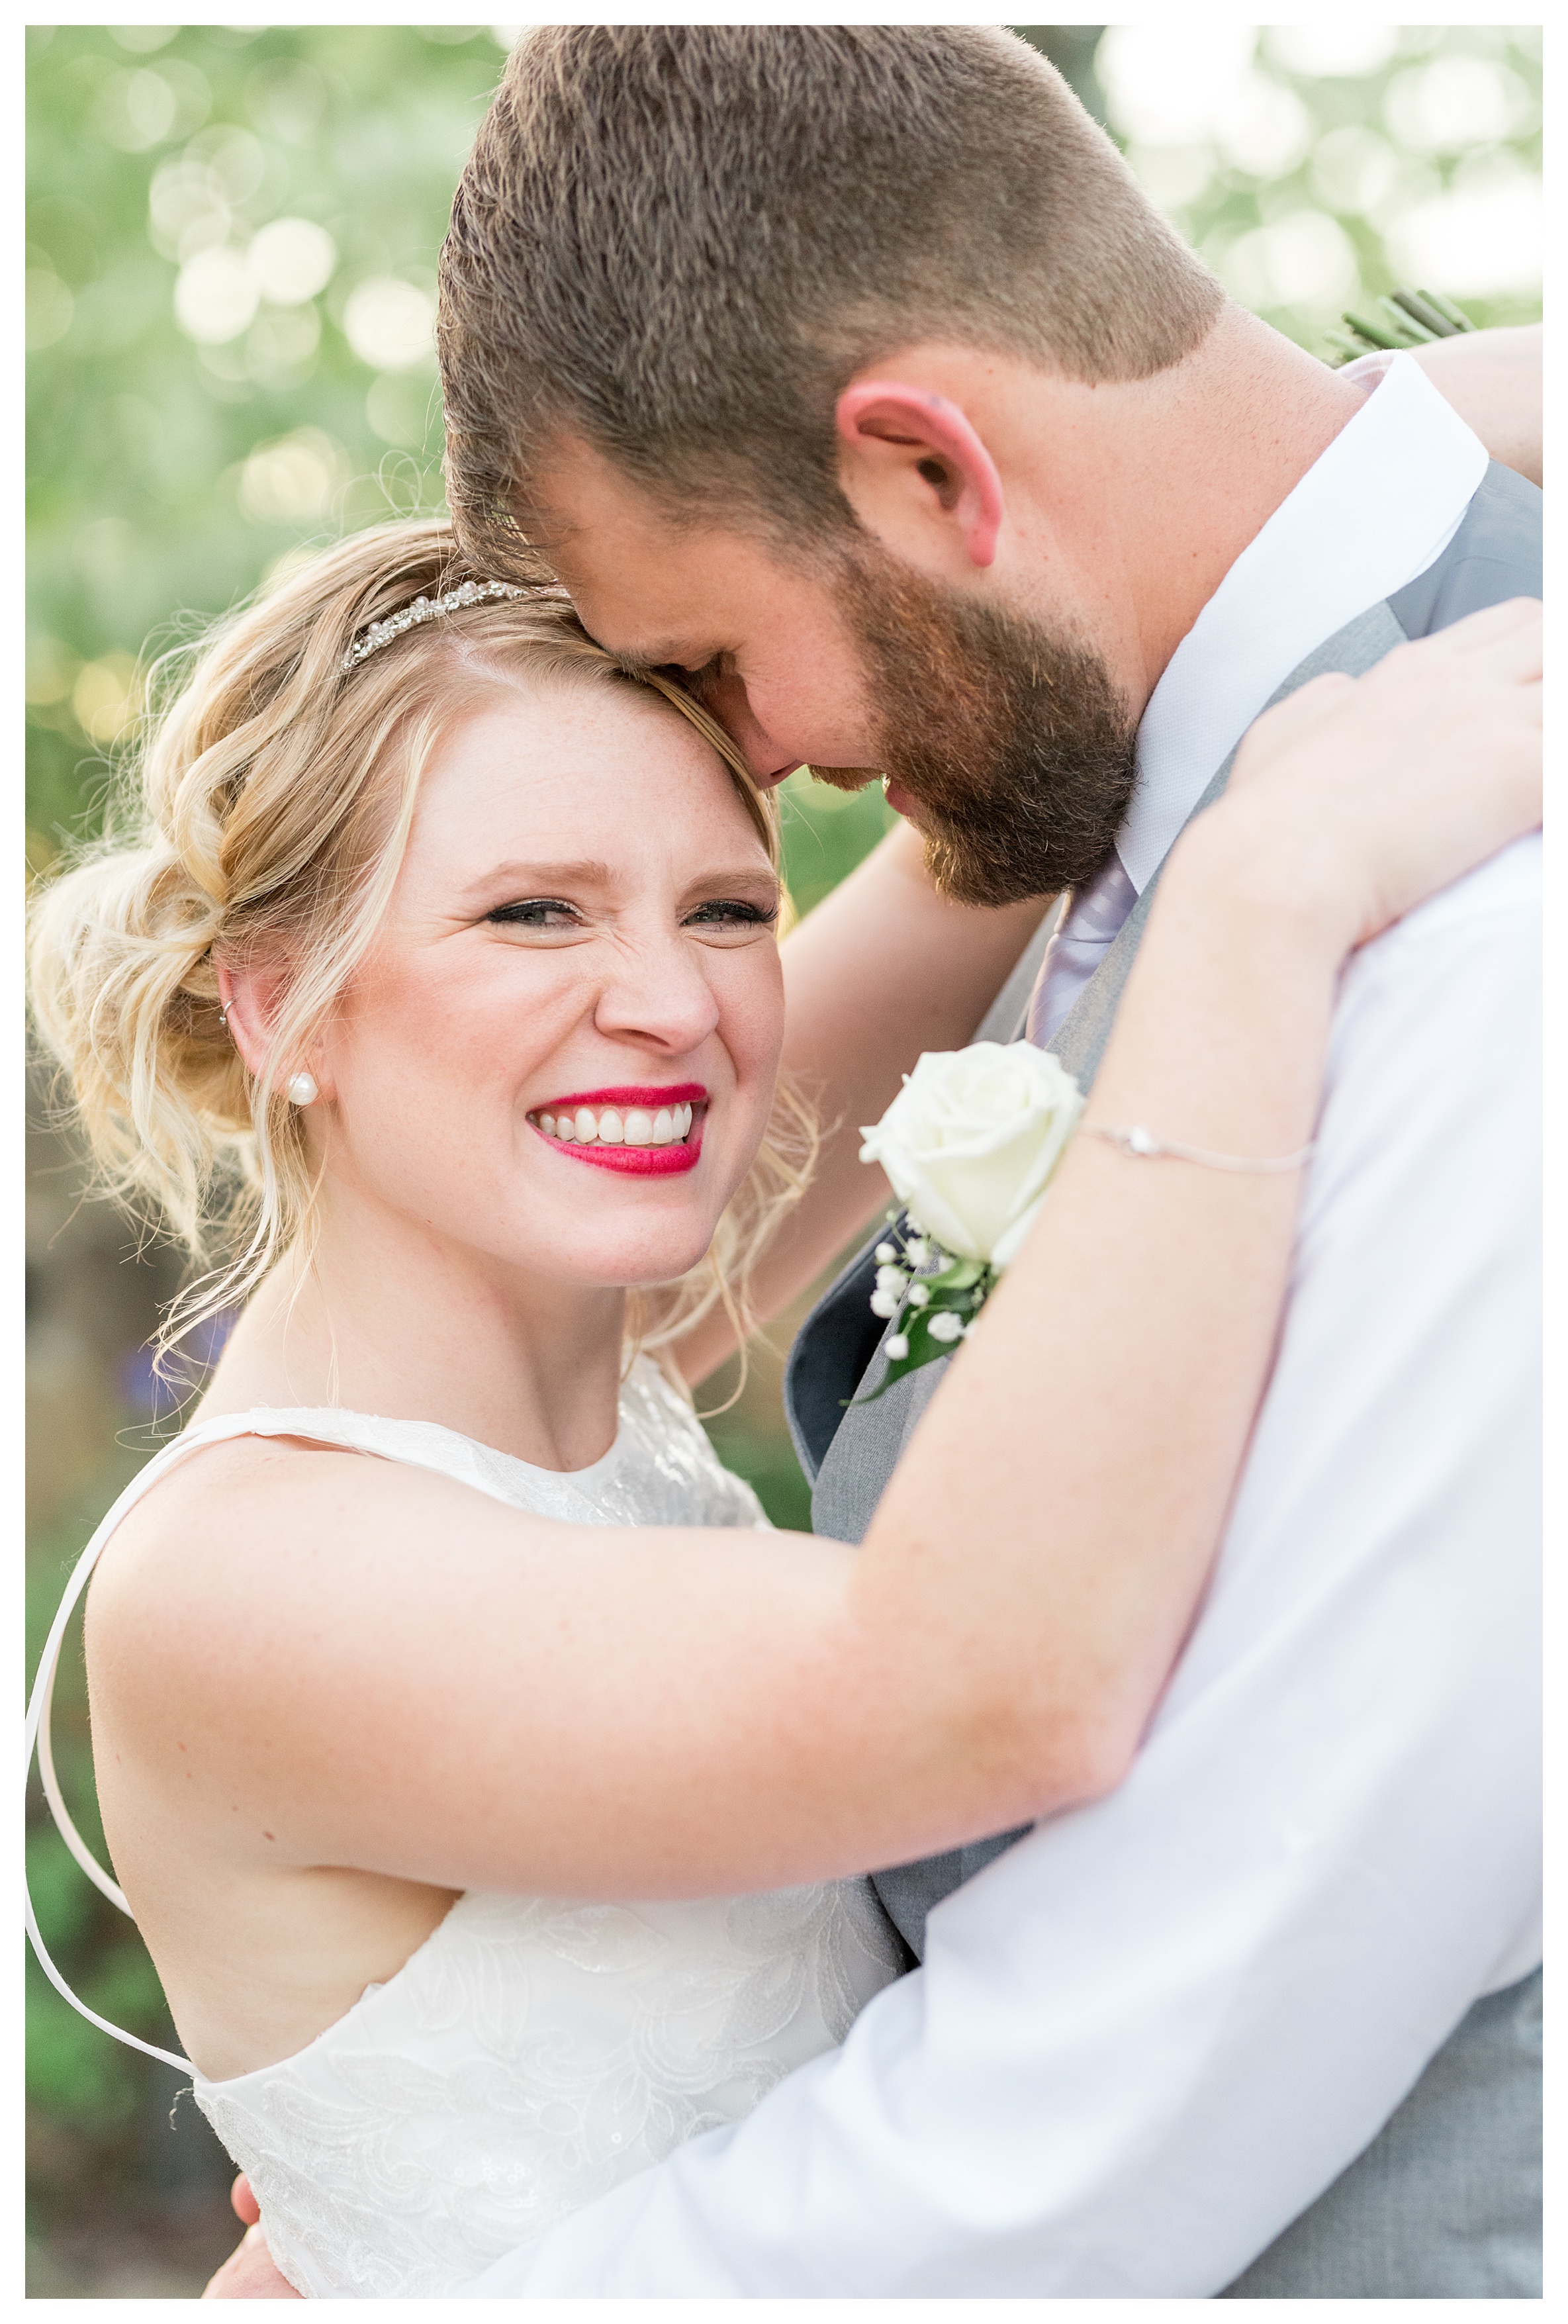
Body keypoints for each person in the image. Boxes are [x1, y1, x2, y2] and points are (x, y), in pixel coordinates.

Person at [23, 509, 1537, 2296]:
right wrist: (1264, 897)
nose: (669, 1004)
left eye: (731, 909)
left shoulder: (583, 1340)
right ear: (284, 1006)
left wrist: (1427, 435)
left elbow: (1067, 702)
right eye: (530, 912)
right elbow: (989, 1688)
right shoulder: (253, 1583)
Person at [418, 26, 1538, 2299]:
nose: (773, 780)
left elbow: (1136, 2072)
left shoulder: (1478, 915)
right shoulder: (1174, 813)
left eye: (717, 665)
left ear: (930, 467)